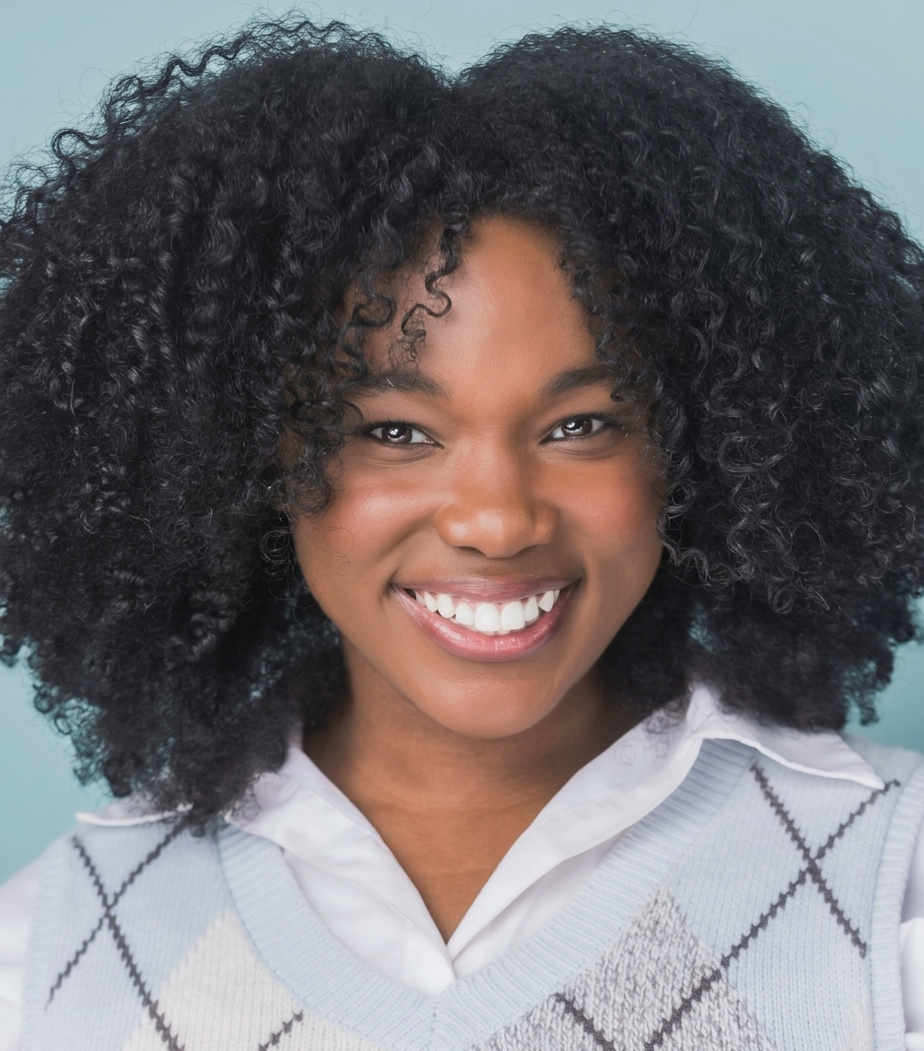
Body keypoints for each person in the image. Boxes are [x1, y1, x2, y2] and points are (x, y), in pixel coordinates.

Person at [0, 17, 922, 1051]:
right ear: (244, 456)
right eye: (395, 431)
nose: (496, 520)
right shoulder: (54, 955)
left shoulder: (895, 883)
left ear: (698, 444)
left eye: (581, 425)